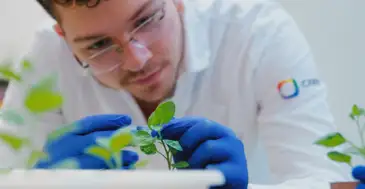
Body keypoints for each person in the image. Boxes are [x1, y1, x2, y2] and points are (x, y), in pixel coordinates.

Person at [0, 0, 353, 188]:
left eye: (146, 20)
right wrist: (39, 184)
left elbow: (323, 180)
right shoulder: (45, 55)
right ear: (65, 39)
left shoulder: (257, 33)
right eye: (99, 45)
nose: (138, 60)